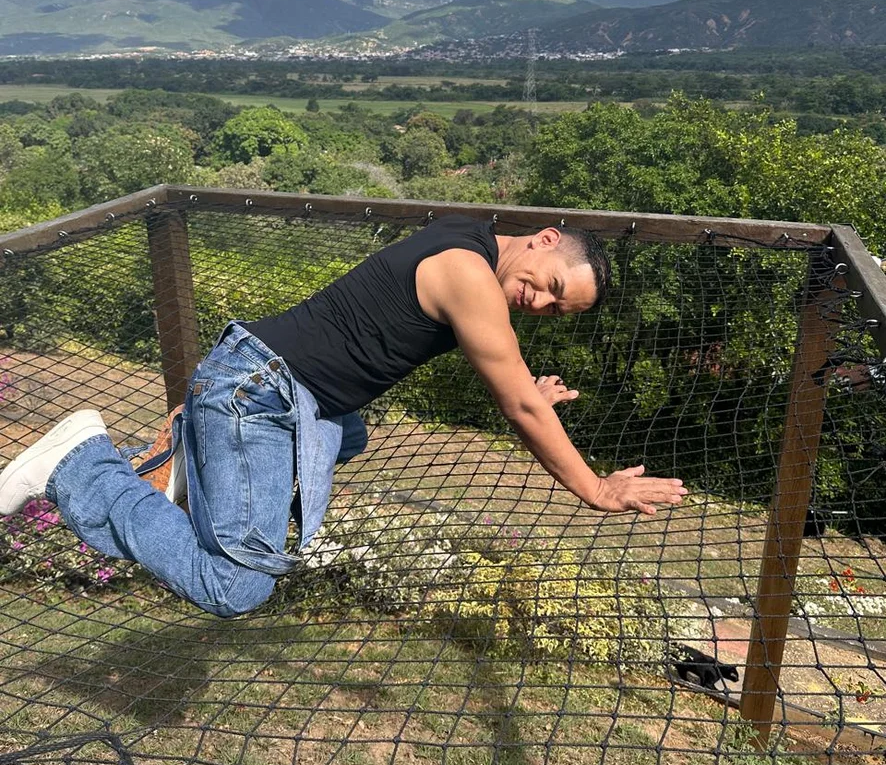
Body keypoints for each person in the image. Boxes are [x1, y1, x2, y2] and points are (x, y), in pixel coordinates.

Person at [0, 215, 687, 617]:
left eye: (557, 310)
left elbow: (507, 379)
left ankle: (198, 449)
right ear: (544, 239)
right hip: (258, 391)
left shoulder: (473, 236)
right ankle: (83, 463)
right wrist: (595, 488)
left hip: (281, 388)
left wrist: (530, 392)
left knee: (346, 433)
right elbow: (517, 405)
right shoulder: (469, 273)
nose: (541, 304)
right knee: (234, 586)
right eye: (554, 287)